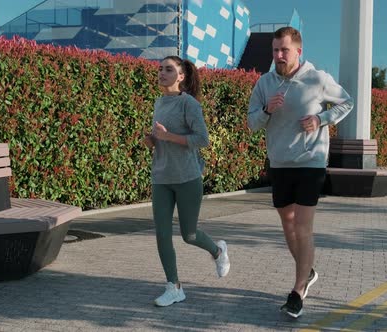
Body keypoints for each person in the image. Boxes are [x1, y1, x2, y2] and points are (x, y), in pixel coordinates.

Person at [247, 27, 354, 318]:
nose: (278, 56)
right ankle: (307, 271)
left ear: (298, 51)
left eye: (284, 50)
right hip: (279, 164)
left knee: (303, 227)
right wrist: (267, 110)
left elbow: (347, 101)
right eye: (275, 51)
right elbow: (252, 123)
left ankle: (297, 291)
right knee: (288, 225)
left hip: (311, 162)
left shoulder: (317, 78)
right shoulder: (264, 83)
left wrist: (321, 119)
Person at [142, 55, 230, 307]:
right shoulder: (159, 102)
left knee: (189, 234)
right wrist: (153, 140)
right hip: (161, 177)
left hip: (187, 177)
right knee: (161, 233)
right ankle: (174, 286)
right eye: (160, 69)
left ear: (181, 76)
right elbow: (162, 137)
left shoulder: (188, 104)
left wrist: (168, 136)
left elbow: (202, 139)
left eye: (168, 69)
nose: (162, 73)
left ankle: (218, 251)